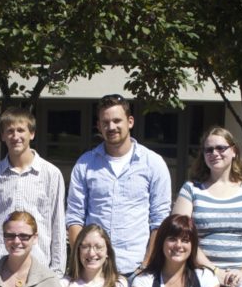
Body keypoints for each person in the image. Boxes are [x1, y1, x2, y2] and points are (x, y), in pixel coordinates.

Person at [66, 94, 172, 275]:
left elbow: (160, 221)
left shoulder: (153, 163)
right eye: (105, 122)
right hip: (94, 269)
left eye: (117, 121)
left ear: (130, 121)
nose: (111, 127)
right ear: (98, 126)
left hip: (137, 268)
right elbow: (74, 218)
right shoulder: (85, 164)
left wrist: (146, 264)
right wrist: (82, 263)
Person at [172, 125, 242, 287]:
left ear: (234, 152)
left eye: (221, 148)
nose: (214, 153)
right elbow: (181, 237)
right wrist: (214, 271)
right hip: (201, 280)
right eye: (208, 150)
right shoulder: (191, 189)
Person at [0, 108, 66, 273]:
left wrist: (57, 271)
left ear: (32, 134)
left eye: (21, 130)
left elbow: (57, 226)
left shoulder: (51, 174)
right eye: (10, 131)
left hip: (38, 263)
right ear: (3, 136)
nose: (15, 136)